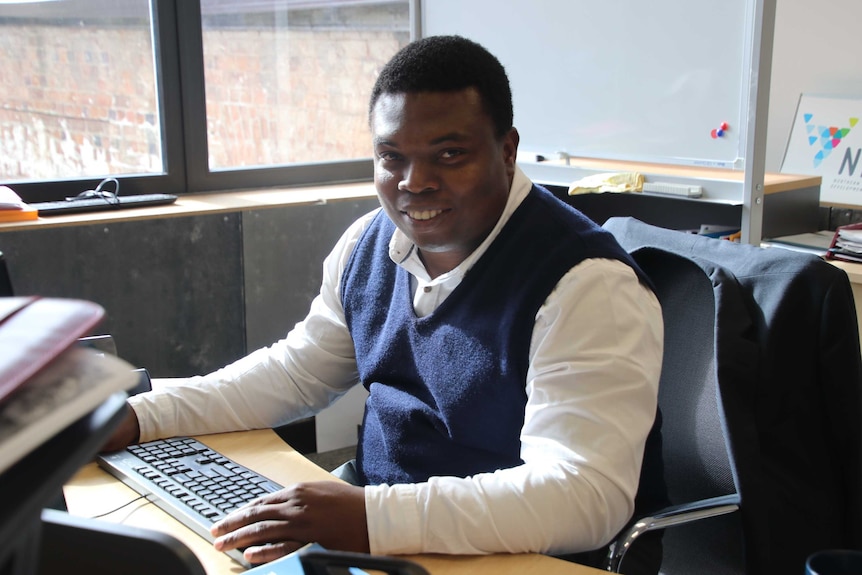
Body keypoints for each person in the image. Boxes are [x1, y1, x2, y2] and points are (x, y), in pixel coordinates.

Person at [103, 35, 664, 572]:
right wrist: (138, 416)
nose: (414, 183)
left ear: (508, 151)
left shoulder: (586, 284)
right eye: (391, 156)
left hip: (528, 559)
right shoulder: (368, 244)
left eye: (450, 154)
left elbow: (581, 496)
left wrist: (372, 518)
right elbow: (296, 374)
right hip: (389, 537)